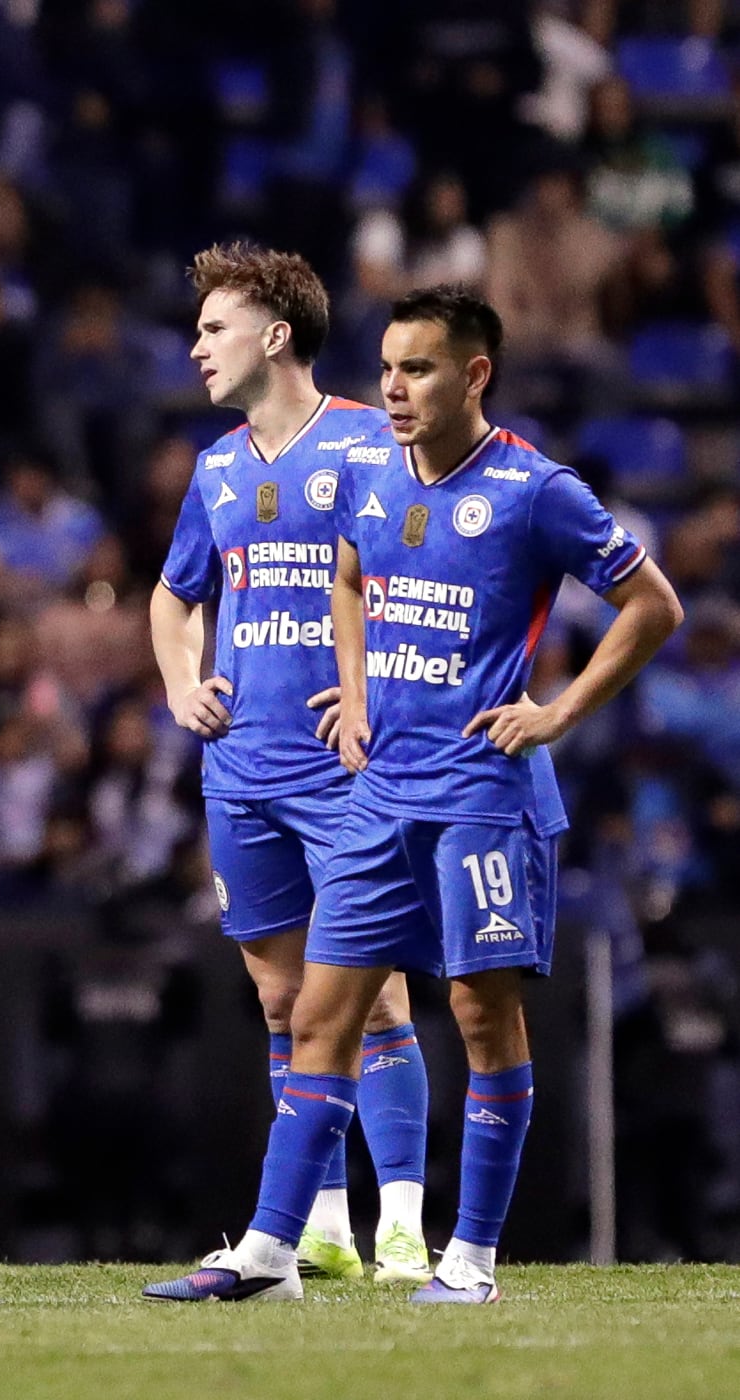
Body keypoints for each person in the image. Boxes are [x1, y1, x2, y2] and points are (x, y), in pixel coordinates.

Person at [146, 286, 684, 1305]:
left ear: (475, 373)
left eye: (420, 368)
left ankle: (469, 1261)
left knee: (482, 1022)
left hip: (485, 792)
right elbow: (348, 581)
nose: (393, 388)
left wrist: (560, 712)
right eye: (388, 366)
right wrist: (352, 697)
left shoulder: (535, 487)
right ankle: (271, 1250)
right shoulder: (374, 478)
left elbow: (653, 602)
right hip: (379, 792)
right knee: (318, 1016)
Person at [152, 244, 448, 1283]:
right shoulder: (217, 465)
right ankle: (320, 1223)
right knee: (282, 1005)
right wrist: (183, 681)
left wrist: (377, 692)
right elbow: (170, 593)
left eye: (213, 327)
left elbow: (429, 567)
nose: (195, 346)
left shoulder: (373, 443)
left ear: (275, 337)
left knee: (373, 1002)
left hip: (350, 772)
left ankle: (405, 1222)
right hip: (242, 770)